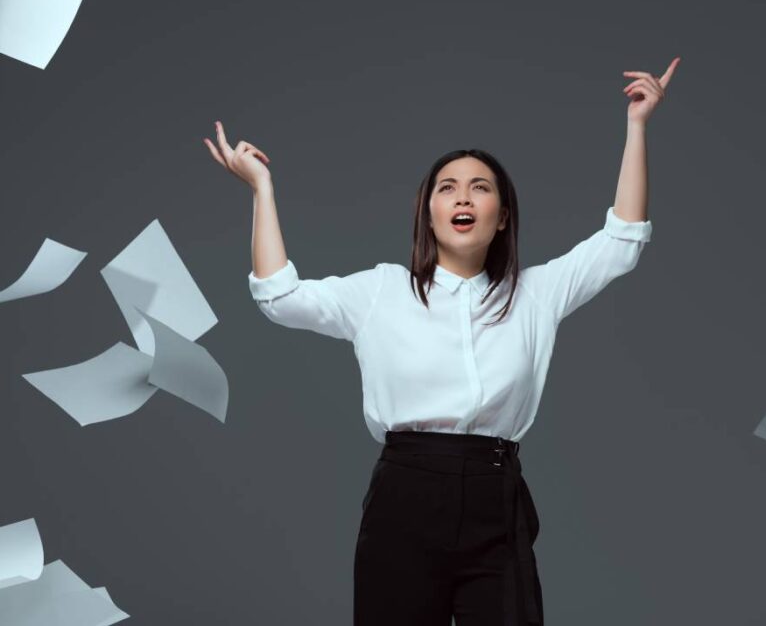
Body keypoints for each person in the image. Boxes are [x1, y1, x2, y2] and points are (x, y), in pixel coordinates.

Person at [203, 57, 679, 625]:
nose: (463, 198)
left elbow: (621, 242)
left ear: (501, 216)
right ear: (428, 213)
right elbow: (279, 296)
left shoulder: (537, 293)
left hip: (496, 494)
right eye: (447, 188)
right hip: (406, 491)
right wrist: (262, 189)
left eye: (480, 189)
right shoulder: (381, 291)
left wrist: (638, 126)